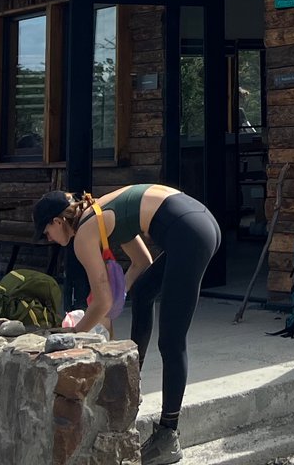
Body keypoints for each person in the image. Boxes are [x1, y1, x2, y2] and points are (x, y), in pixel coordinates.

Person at [35, 183, 220, 465]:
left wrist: (73, 334)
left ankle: (168, 435)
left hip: (189, 232)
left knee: (171, 340)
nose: (48, 239)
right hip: (199, 221)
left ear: (58, 221)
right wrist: (117, 297)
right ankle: (134, 378)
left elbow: (102, 303)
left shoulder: (84, 235)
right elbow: (141, 262)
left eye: (46, 232)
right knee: (144, 292)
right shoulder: (100, 214)